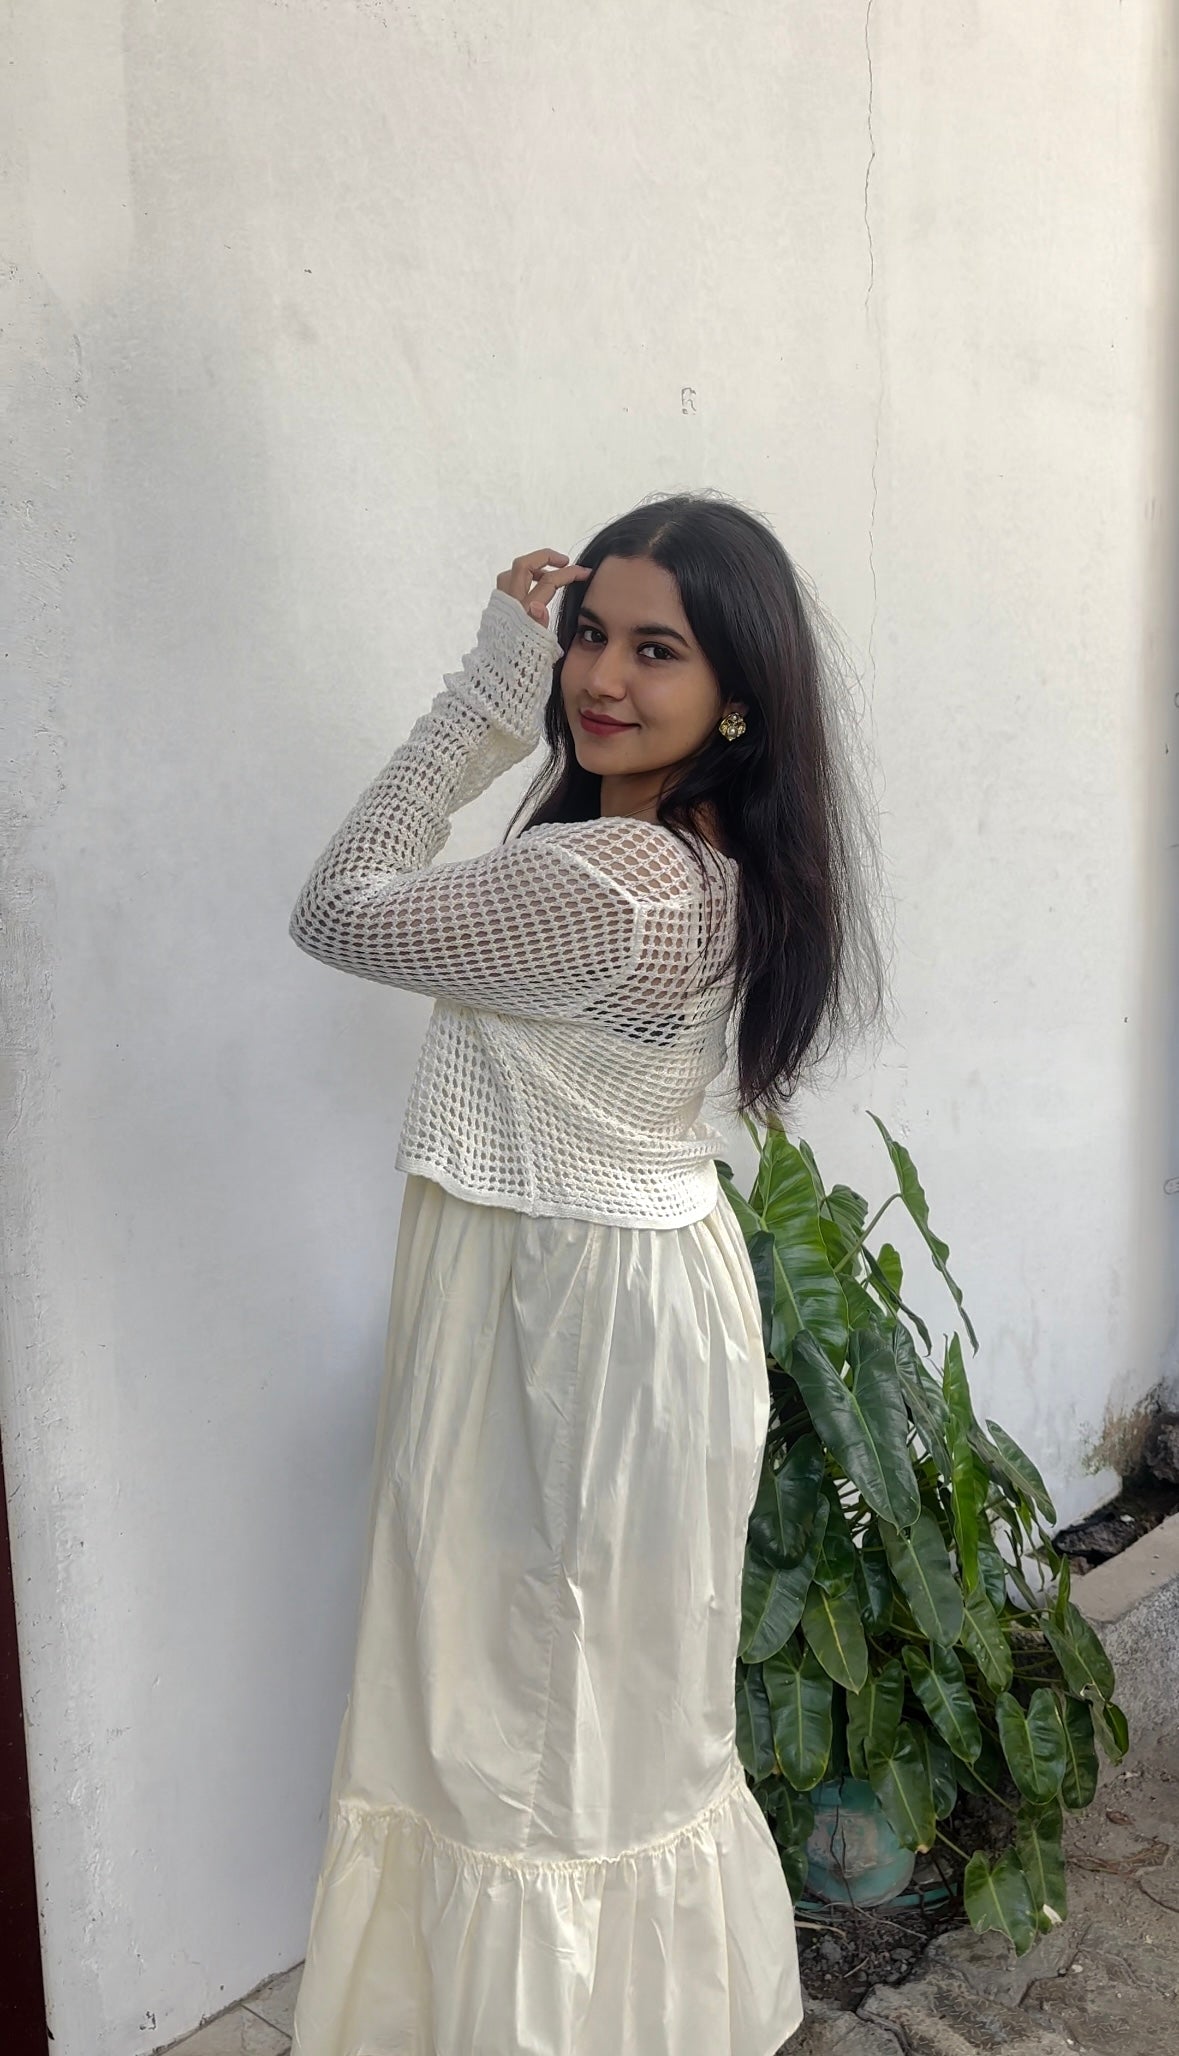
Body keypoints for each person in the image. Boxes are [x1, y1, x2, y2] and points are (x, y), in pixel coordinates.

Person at [286, 490, 889, 2056]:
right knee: (600, 1718)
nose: (600, 675)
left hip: (568, 1324)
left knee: (516, 1720)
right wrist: (524, 698)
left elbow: (337, 906)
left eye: (657, 650)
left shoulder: (602, 887)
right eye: (586, 635)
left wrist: (478, 697)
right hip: (621, 1295)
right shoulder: (677, 861)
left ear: (736, 694)